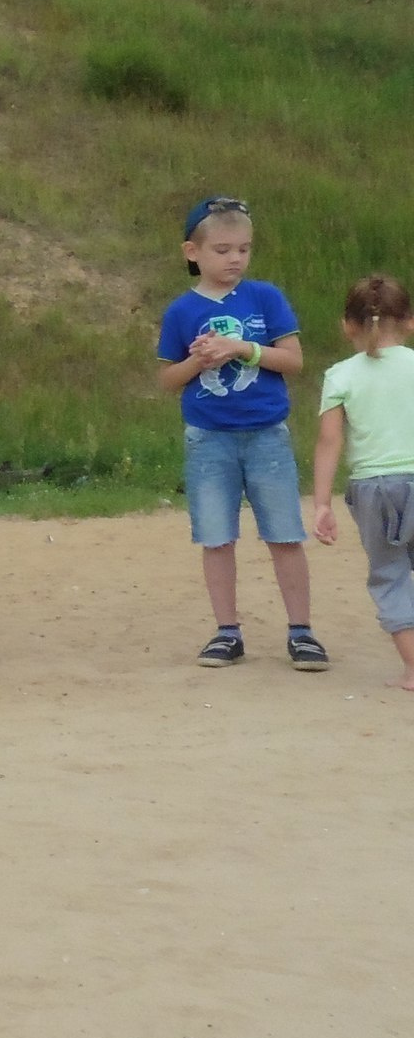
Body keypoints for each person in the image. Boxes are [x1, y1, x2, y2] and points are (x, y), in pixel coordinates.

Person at [158, 195, 326, 671]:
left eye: (244, 249)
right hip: (208, 438)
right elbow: (168, 380)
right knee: (216, 537)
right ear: (193, 252)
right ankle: (227, 631)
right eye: (223, 249)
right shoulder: (180, 311)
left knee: (284, 533)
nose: (235, 259)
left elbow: (292, 361)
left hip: (267, 433)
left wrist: (243, 349)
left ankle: (302, 631)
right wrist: (199, 360)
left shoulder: (266, 298)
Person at [310, 274, 414, 690]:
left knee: (390, 575)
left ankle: (412, 669)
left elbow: (329, 441)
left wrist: (322, 503)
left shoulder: (340, 376)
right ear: (409, 321)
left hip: (375, 489)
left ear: (347, 325)